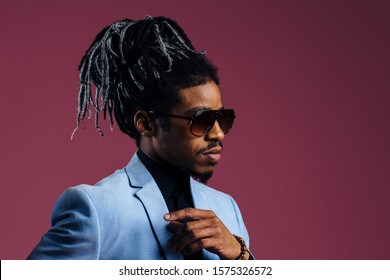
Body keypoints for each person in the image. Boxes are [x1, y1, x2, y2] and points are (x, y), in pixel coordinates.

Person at [27, 16, 252, 260]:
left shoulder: (226, 209)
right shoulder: (97, 208)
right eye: (200, 120)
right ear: (146, 124)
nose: (218, 133)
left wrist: (240, 256)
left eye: (223, 118)